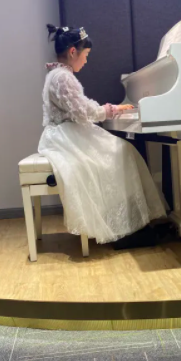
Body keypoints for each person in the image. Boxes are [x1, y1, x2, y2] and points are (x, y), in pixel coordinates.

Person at [38, 24, 167, 245]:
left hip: (65, 133)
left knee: (121, 152)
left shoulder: (57, 75)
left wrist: (107, 110)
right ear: (73, 52)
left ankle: (130, 223)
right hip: (66, 137)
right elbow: (83, 111)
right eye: (86, 55)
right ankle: (125, 228)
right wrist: (109, 110)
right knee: (121, 154)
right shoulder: (62, 78)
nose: (86, 60)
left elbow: (81, 107)